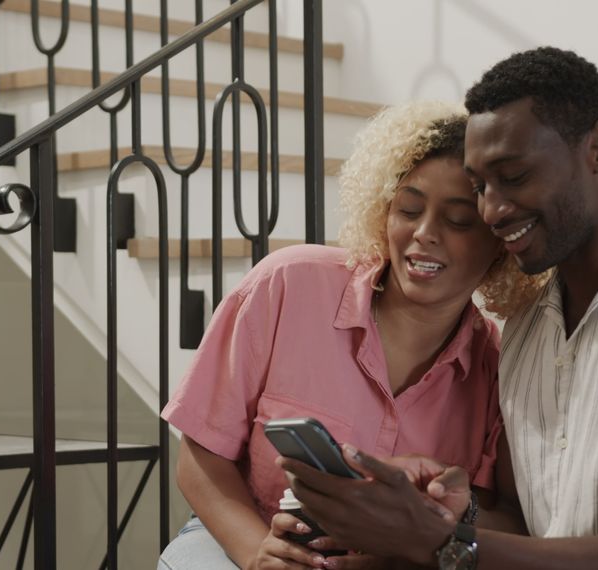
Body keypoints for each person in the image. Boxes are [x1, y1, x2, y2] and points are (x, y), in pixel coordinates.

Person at [282, 47, 598, 569]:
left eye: (514, 176)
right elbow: (527, 523)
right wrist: (452, 510)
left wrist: (433, 541)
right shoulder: (526, 327)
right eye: (480, 187)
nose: (493, 210)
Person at [158, 100, 542, 570]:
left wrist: (448, 510)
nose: (424, 233)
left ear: (500, 245)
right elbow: (200, 457)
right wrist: (258, 554)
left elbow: (498, 519)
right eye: (408, 209)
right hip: (240, 537)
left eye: (458, 220)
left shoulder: (498, 370)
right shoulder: (287, 284)